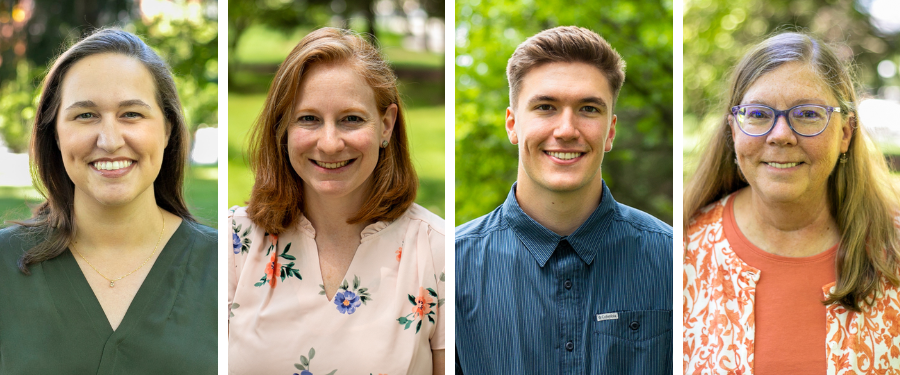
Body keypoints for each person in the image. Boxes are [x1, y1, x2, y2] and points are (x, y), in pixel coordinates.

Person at [455, 26, 673, 374]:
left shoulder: (673, 260)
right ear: (512, 125)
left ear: (611, 131)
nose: (567, 130)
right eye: (545, 107)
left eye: (588, 109)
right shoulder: (452, 267)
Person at [228, 27, 445, 374]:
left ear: (386, 126)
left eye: (351, 119)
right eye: (309, 119)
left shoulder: (438, 252)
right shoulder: (233, 245)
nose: (329, 143)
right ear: (283, 126)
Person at [0, 28, 217, 374]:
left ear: (167, 130)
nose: (110, 140)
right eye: (85, 115)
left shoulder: (226, 269)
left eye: (131, 113)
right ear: (54, 133)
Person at [683, 32, 900, 373]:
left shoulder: (894, 247)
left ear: (845, 133)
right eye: (758, 114)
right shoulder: (682, 249)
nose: (780, 135)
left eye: (808, 114)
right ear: (733, 130)